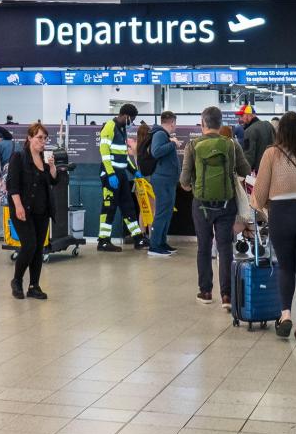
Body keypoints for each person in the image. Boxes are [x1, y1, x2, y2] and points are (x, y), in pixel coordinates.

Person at [252, 112, 296, 341]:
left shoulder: (271, 154)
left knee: (285, 268)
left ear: (279, 131)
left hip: (281, 215)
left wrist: (258, 206)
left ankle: (285, 314)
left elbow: (260, 194)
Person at [180, 107, 251, 308]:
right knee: (224, 247)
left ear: (203, 123)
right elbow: (245, 170)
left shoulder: (192, 146)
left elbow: (184, 181)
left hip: (201, 204)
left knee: (203, 247)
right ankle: (227, 296)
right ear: (220, 124)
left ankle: (205, 292)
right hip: (226, 204)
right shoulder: (231, 144)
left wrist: (193, 184)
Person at [7, 122, 58, 300]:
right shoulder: (18, 157)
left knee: (38, 249)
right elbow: (12, 186)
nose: (42, 141)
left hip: (42, 211)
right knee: (29, 245)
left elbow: (52, 182)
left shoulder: (45, 159)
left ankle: (34, 285)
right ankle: (17, 280)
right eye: (39, 138)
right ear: (29, 138)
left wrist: (52, 168)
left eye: (45, 138)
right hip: (23, 209)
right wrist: (18, 206)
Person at [97, 104, 143, 252]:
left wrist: (134, 171)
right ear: (125, 115)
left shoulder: (122, 129)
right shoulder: (109, 127)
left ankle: (138, 238)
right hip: (111, 174)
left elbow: (123, 155)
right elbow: (104, 152)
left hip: (121, 174)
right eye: (132, 119)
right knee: (109, 207)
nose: (132, 122)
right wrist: (110, 174)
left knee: (128, 206)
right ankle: (103, 241)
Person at [143, 111, 180, 256]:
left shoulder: (163, 135)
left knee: (167, 212)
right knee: (161, 212)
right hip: (162, 179)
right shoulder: (159, 134)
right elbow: (156, 151)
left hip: (168, 180)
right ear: (172, 122)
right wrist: (172, 143)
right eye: (175, 123)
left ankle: (162, 242)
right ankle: (155, 245)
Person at [237, 105, 274, 172]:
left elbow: (249, 156)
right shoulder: (268, 125)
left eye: (242, 116)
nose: (240, 119)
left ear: (249, 115)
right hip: (273, 168)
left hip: (259, 171)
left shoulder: (249, 131)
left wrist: (245, 172)